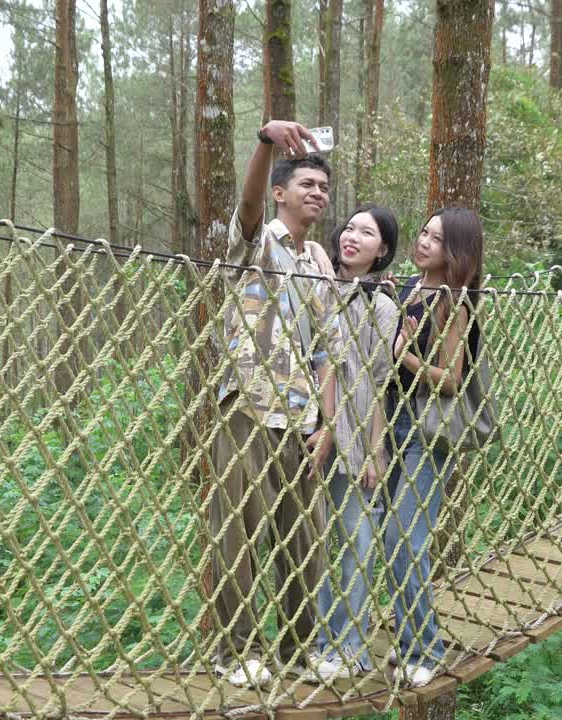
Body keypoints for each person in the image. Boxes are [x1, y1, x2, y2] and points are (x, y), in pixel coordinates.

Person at [209, 120, 341, 689]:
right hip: (249, 403)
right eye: (307, 184)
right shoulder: (259, 240)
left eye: (324, 187)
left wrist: (329, 424)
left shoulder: (318, 261)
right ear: (282, 193)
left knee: (303, 537)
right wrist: (266, 142)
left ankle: (298, 648)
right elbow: (246, 203)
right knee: (238, 529)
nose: (317, 193)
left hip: (303, 414)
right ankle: (235, 651)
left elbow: (333, 346)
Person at [384, 207, 484, 688]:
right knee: (389, 539)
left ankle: (426, 649)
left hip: (428, 433)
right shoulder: (406, 290)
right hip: (389, 426)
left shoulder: (452, 303)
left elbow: (451, 381)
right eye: (423, 232)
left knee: (406, 538)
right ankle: (408, 643)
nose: (423, 242)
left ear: (455, 252)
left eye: (437, 239)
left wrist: (403, 355)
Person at [312, 205, 400, 681]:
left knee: (357, 544)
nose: (353, 237)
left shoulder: (381, 306)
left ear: (381, 250)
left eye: (367, 233)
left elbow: (380, 385)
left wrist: (375, 450)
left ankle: (349, 648)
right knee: (315, 547)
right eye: (349, 228)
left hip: (349, 439)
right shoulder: (317, 288)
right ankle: (321, 642)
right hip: (305, 432)